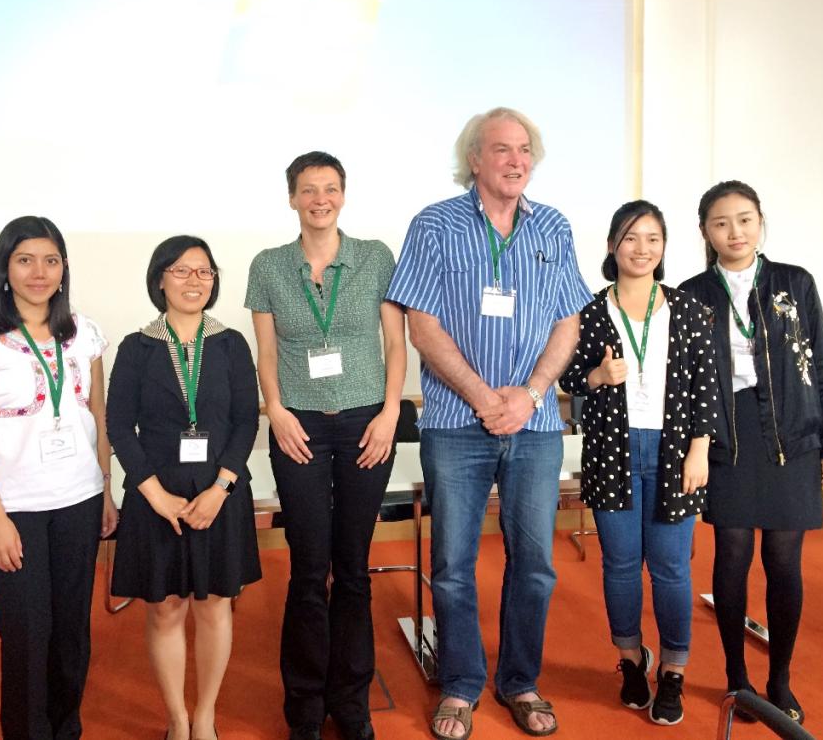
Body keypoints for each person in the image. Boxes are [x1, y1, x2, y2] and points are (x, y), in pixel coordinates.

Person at [386, 107, 591, 740]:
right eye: (501, 149)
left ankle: (520, 680)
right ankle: (461, 683)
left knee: (535, 562)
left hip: (532, 426)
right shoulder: (435, 224)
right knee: (452, 563)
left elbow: (568, 323)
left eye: (525, 149)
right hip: (454, 422)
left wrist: (529, 396)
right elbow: (422, 325)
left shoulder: (552, 227)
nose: (515, 160)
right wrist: (483, 396)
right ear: (473, 158)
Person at [679, 180, 823, 724]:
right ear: (706, 232)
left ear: (761, 223)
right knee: (731, 556)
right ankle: (737, 674)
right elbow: (682, 382)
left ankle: (779, 677)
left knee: (784, 561)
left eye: (745, 219)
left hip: (792, 437)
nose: (735, 232)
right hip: (726, 437)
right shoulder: (692, 294)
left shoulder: (793, 284)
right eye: (721, 223)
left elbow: (820, 362)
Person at [245, 151, 406, 740]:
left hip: (367, 422)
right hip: (299, 427)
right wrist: (277, 412)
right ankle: (305, 705)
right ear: (291, 197)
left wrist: (391, 412)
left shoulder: (375, 258)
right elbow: (265, 353)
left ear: (344, 194)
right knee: (310, 569)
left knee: (354, 568)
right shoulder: (268, 266)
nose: (320, 199)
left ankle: (352, 699)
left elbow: (395, 344)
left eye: (330, 188)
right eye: (308, 189)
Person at [0, 215, 117, 738]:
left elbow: (99, 418)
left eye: (50, 260)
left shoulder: (83, 333)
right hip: (14, 509)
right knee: (26, 635)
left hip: (79, 501)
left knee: (71, 633)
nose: (39, 272)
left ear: (63, 269)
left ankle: (67, 729)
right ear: (5, 268)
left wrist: (107, 491)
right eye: (25, 260)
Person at [558, 200, 720, 727]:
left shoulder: (690, 311)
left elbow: (706, 389)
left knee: (672, 568)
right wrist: (600, 379)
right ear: (611, 246)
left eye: (652, 239)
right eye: (630, 238)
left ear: (665, 247)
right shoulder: (587, 313)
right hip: (611, 449)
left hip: (675, 453)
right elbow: (568, 379)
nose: (641, 248)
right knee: (622, 565)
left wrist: (700, 449)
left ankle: (673, 669)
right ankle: (630, 660)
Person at [108, 235, 261, 740]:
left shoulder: (232, 344)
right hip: (157, 496)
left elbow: (245, 424)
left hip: (219, 493)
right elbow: (116, 426)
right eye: (181, 270)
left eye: (204, 272)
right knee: (166, 607)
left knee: (216, 604)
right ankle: (176, 719)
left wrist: (221, 487)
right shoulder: (137, 347)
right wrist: (153, 494)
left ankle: (206, 717)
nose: (194, 281)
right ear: (159, 279)